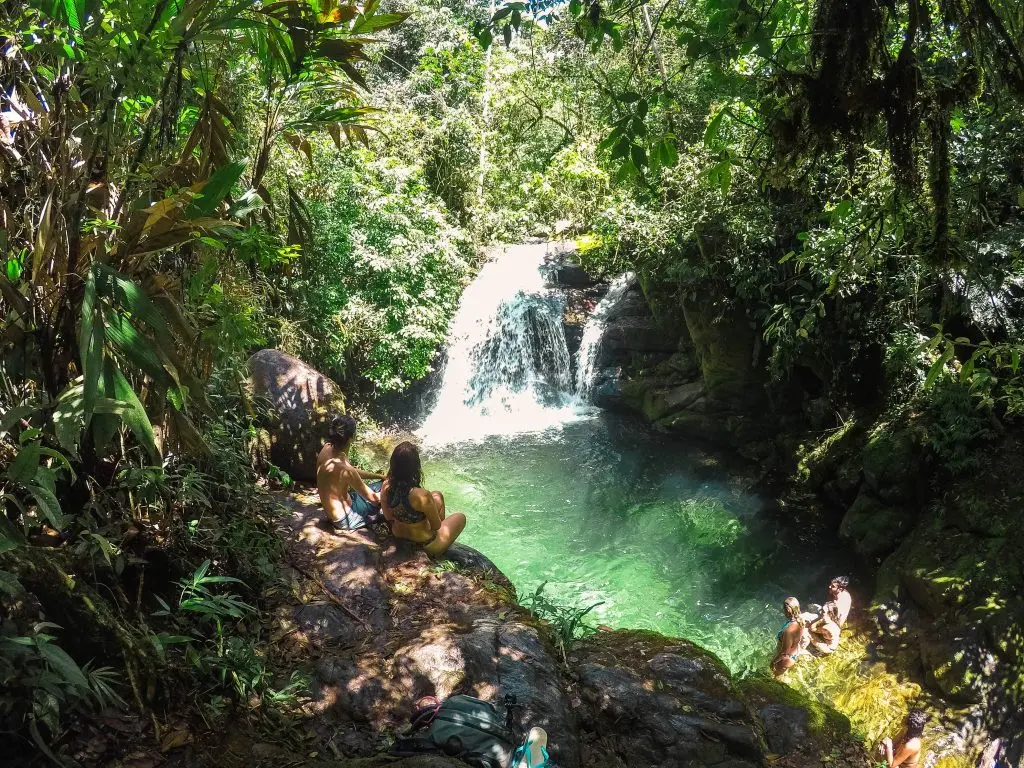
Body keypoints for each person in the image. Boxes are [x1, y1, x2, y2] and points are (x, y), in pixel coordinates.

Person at [381, 441, 466, 557]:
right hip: (425, 545)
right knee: (460, 517)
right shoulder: (421, 495)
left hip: (398, 537)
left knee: (437, 495)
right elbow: (436, 526)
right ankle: (438, 551)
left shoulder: (386, 486)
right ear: (415, 467)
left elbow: (388, 516)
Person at [316, 414, 384, 532]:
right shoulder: (345, 470)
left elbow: (350, 472)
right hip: (346, 518)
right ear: (352, 437)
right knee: (388, 494)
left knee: (381, 484)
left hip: (333, 512)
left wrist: (380, 476)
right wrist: (391, 491)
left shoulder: (326, 448)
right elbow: (374, 499)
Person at [772, 597, 810, 676]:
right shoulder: (800, 620)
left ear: (788, 611)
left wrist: (773, 662)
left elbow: (784, 652)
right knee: (784, 674)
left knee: (777, 678)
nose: (783, 610)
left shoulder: (789, 631)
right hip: (794, 654)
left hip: (785, 660)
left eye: (784, 609)